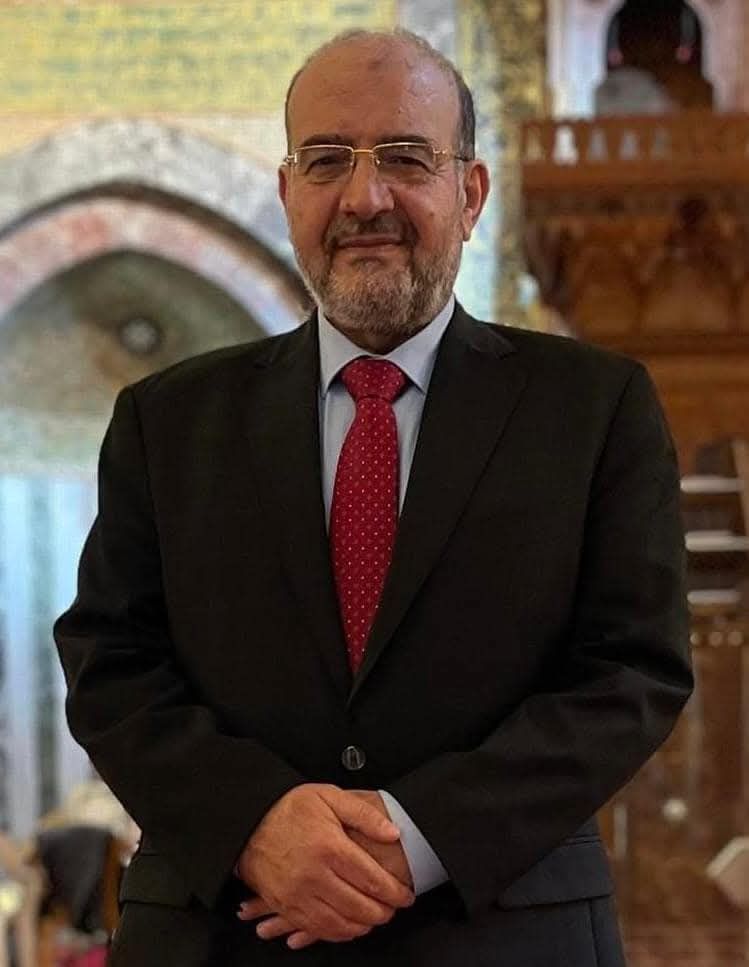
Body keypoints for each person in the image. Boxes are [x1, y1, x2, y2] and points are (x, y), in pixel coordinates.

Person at [54, 28, 693, 967]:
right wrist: (252, 820)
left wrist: (417, 838)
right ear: (287, 195)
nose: (364, 198)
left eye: (404, 156)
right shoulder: (168, 420)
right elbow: (111, 664)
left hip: (503, 933)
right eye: (326, 160)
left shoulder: (594, 408)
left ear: (470, 193)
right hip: (219, 929)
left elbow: (632, 672)